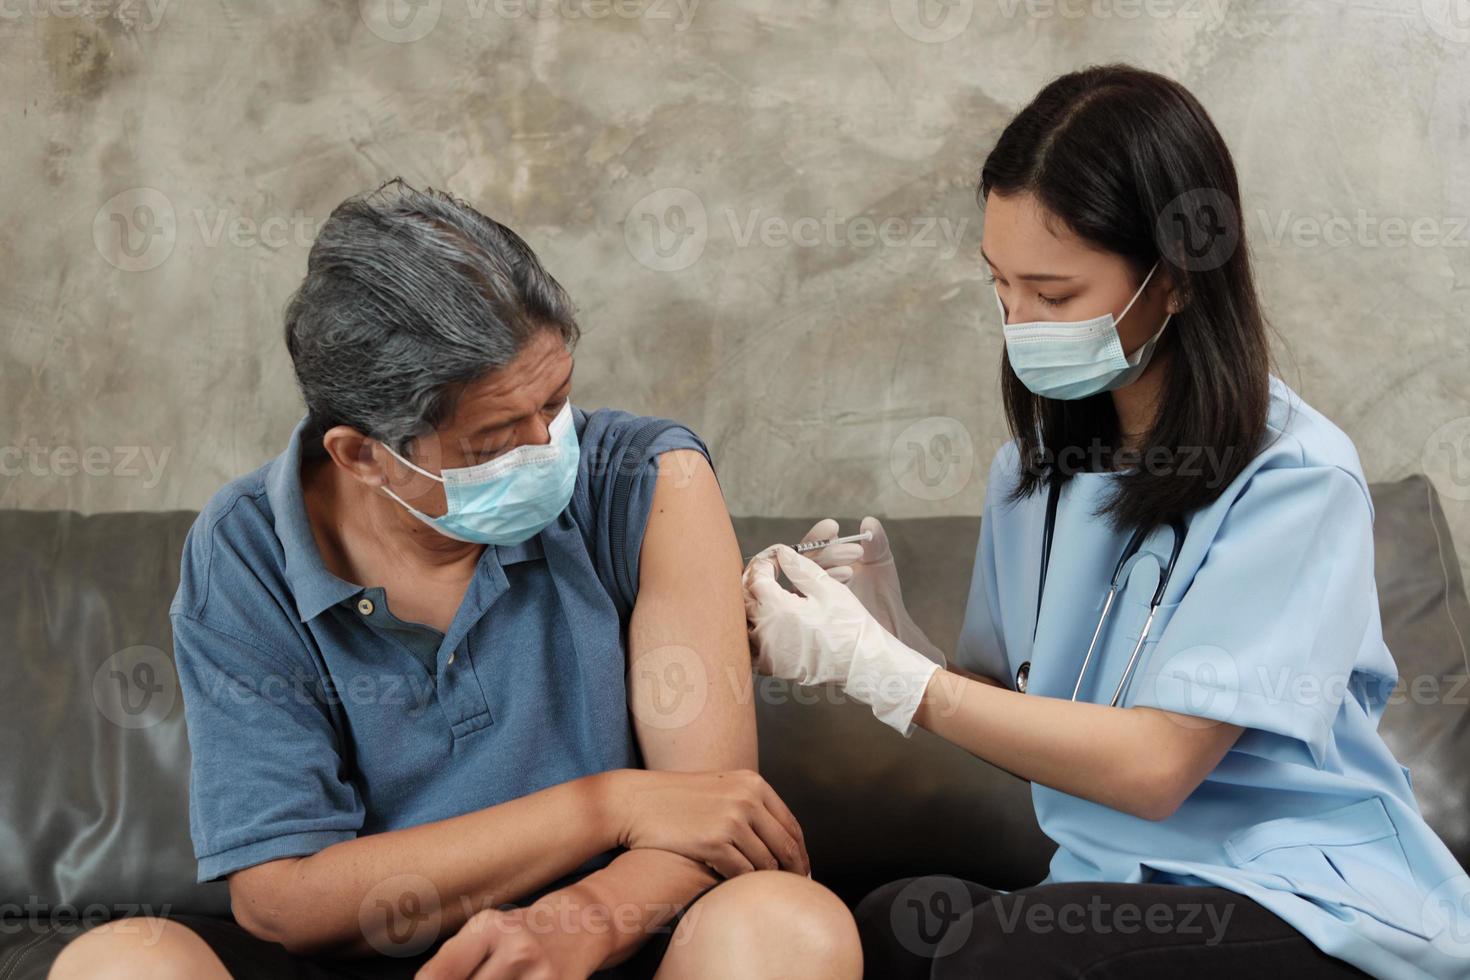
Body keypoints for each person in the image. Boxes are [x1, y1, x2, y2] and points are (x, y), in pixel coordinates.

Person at [743, 65, 1470, 979]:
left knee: (1002, 956)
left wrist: (886, 673)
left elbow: (1157, 768)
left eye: (1054, 296)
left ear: (1175, 281)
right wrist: (889, 635)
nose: (1018, 322)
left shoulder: (1296, 481)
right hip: (1117, 887)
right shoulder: (1031, 478)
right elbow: (1028, 726)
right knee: (889, 924)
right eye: (1000, 286)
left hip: (1305, 898)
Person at [53, 181, 861, 980]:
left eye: (557, 402)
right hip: (381, 956)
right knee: (118, 963)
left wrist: (577, 924)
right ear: (363, 456)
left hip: (618, 943)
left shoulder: (649, 481)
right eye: (493, 442)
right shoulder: (245, 550)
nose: (547, 450)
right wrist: (606, 804)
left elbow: (714, 812)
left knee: (787, 924)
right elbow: (281, 899)